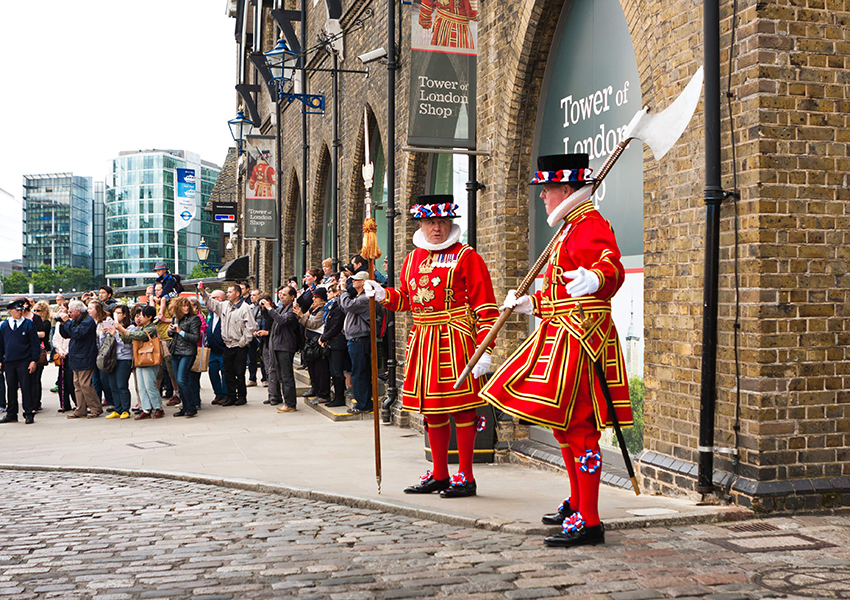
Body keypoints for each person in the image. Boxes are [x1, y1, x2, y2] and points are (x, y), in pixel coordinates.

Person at [479, 153, 633, 547]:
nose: (542, 197)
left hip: (581, 340)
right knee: (564, 427)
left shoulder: (590, 224)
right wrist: (532, 303)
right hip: (560, 333)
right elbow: (559, 293)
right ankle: (578, 502)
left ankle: (591, 519)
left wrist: (595, 278)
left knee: (581, 428)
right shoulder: (567, 229)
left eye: (546, 190)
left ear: (566, 189)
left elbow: (611, 266)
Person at [365, 194, 498, 498]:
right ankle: (439, 473)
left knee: (463, 410)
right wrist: (385, 295)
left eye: (441, 221)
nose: (436, 228)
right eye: (430, 221)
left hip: (457, 341)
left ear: (450, 222)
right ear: (421, 224)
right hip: (423, 341)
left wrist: (484, 350)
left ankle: (465, 475)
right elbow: (408, 301)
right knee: (432, 412)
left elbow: (486, 308)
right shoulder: (413, 258)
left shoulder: (467, 256)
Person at [198, 282, 257, 406]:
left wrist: (243, 342)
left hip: (239, 345)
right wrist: (203, 292)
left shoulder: (245, 308)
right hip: (227, 345)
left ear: (237, 293)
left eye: (230, 292)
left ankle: (241, 396)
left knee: (239, 373)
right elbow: (211, 304)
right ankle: (230, 396)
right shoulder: (225, 306)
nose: (228, 294)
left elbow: (251, 327)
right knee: (228, 372)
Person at [115, 305, 163, 420]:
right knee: (141, 386)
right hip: (140, 359)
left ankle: (158, 407)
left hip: (150, 359)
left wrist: (123, 330)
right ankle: (146, 409)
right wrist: (119, 332)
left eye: (142, 315)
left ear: (150, 317)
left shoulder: (151, 328)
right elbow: (128, 340)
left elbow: (140, 336)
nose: (140, 318)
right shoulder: (141, 327)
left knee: (150, 385)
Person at [58, 300, 101, 419]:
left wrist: (67, 322)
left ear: (78, 311)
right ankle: (80, 409)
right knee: (77, 385)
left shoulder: (88, 321)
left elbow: (77, 333)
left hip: (85, 357)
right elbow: (67, 334)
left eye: (70, 312)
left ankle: (95, 408)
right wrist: (63, 324)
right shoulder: (76, 321)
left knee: (85, 385)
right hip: (76, 357)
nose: (69, 314)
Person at [339, 271, 375, 414]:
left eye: (356, 280)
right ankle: (364, 402)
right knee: (359, 371)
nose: (352, 282)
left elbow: (348, 305)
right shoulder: (357, 298)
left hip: (360, 339)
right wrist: (341, 294)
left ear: (364, 282)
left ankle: (363, 404)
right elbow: (343, 306)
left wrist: (343, 291)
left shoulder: (365, 298)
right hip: (354, 339)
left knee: (359, 373)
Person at [0, 299, 41, 424]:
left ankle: (28, 412)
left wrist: (34, 360)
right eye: (17, 310)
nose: (20, 312)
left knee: (26, 387)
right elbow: (1, 344)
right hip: (9, 361)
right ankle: (11, 413)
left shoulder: (28, 324)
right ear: (10, 311)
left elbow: (35, 344)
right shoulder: (4, 326)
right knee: (11, 388)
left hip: (24, 360)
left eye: (21, 310)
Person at [261, 286, 300, 413]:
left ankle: (290, 403)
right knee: (281, 376)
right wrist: (264, 309)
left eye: (284, 294)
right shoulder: (281, 308)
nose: (281, 296)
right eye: (280, 294)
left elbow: (281, 320)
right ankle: (286, 401)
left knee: (286, 376)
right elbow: (270, 318)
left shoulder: (292, 310)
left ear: (292, 297)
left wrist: (269, 308)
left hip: (285, 346)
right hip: (277, 345)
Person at [295, 286, 331, 404]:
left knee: (321, 370)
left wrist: (301, 316)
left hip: (318, 343)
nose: (314, 299)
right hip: (309, 342)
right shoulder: (313, 309)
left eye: (316, 297)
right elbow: (305, 318)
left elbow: (312, 324)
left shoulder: (323, 311)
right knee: (312, 369)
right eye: (313, 297)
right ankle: (315, 389)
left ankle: (323, 393)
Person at [168, 297, 202, 417]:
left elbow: (195, 338)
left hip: (188, 352)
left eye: (187, 305)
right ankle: (185, 406)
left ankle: (192, 406)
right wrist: (170, 330)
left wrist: (180, 331)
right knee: (179, 381)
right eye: (183, 306)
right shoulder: (175, 318)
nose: (186, 308)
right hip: (175, 352)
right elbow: (171, 335)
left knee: (182, 380)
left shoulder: (194, 319)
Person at [319, 282, 349, 408]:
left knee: (337, 371)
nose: (328, 294)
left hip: (338, 343)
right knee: (333, 370)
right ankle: (336, 396)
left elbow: (336, 326)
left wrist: (324, 337)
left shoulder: (339, 307)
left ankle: (339, 397)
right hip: (331, 342)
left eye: (330, 291)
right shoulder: (331, 306)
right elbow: (328, 324)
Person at [102, 305, 134, 419]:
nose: (116, 315)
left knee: (122, 385)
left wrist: (117, 333)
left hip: (124, 358)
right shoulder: (112, 326)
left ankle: (125, 409)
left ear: (125, 314)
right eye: (114, 313)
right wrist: (104, 333)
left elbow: (127, 344)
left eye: (119, 313)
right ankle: (117, 408)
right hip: (112, 358)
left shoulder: (130, 327)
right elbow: (105, 343)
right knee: (113, 385)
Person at [88, 300, 114, 410]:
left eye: (90, 309)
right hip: (92, 352)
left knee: (105, 379)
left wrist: (103, 333)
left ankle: (110, 401)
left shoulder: (106, 320)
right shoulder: (89, 321)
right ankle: (96, 403)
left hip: (104, 352)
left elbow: (108, 335)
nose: (88, 311)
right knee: (95, 380)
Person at [51, 306, 76, 412]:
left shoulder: (71, 323)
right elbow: (55, 339)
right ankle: (64, 404)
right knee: (62, 380)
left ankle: (77, 402)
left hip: (70, 353)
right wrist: (59, 350)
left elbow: (71, 339)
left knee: (71, 380)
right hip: (61, 354)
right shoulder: (57, 325)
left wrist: (66, 351)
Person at [206, 290, 229, 405]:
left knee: (225, 372)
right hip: (212, 349)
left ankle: (225, 394)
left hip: (223, 348)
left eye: (213, 298)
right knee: (213, 371)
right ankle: (218, 394)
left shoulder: (225, 311)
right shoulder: (210, 314)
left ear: (220, 299)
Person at [30, 300, 53, 413]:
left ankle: (36, 402)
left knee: (36, 378)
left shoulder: (45, 323)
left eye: (38, 310)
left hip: (41, 352)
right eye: (34, 310)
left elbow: (42, 334)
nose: (35, 312)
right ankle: (34, 401)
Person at [246, 289, 267, 388]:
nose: (252, 297)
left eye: (254, 295)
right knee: (251, 358)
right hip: (252, 335)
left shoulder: (263, 308)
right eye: (251, 295)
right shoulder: (251, 308)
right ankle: (252, 378)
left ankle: (265, 378)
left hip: (261, 335)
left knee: (262, 357)